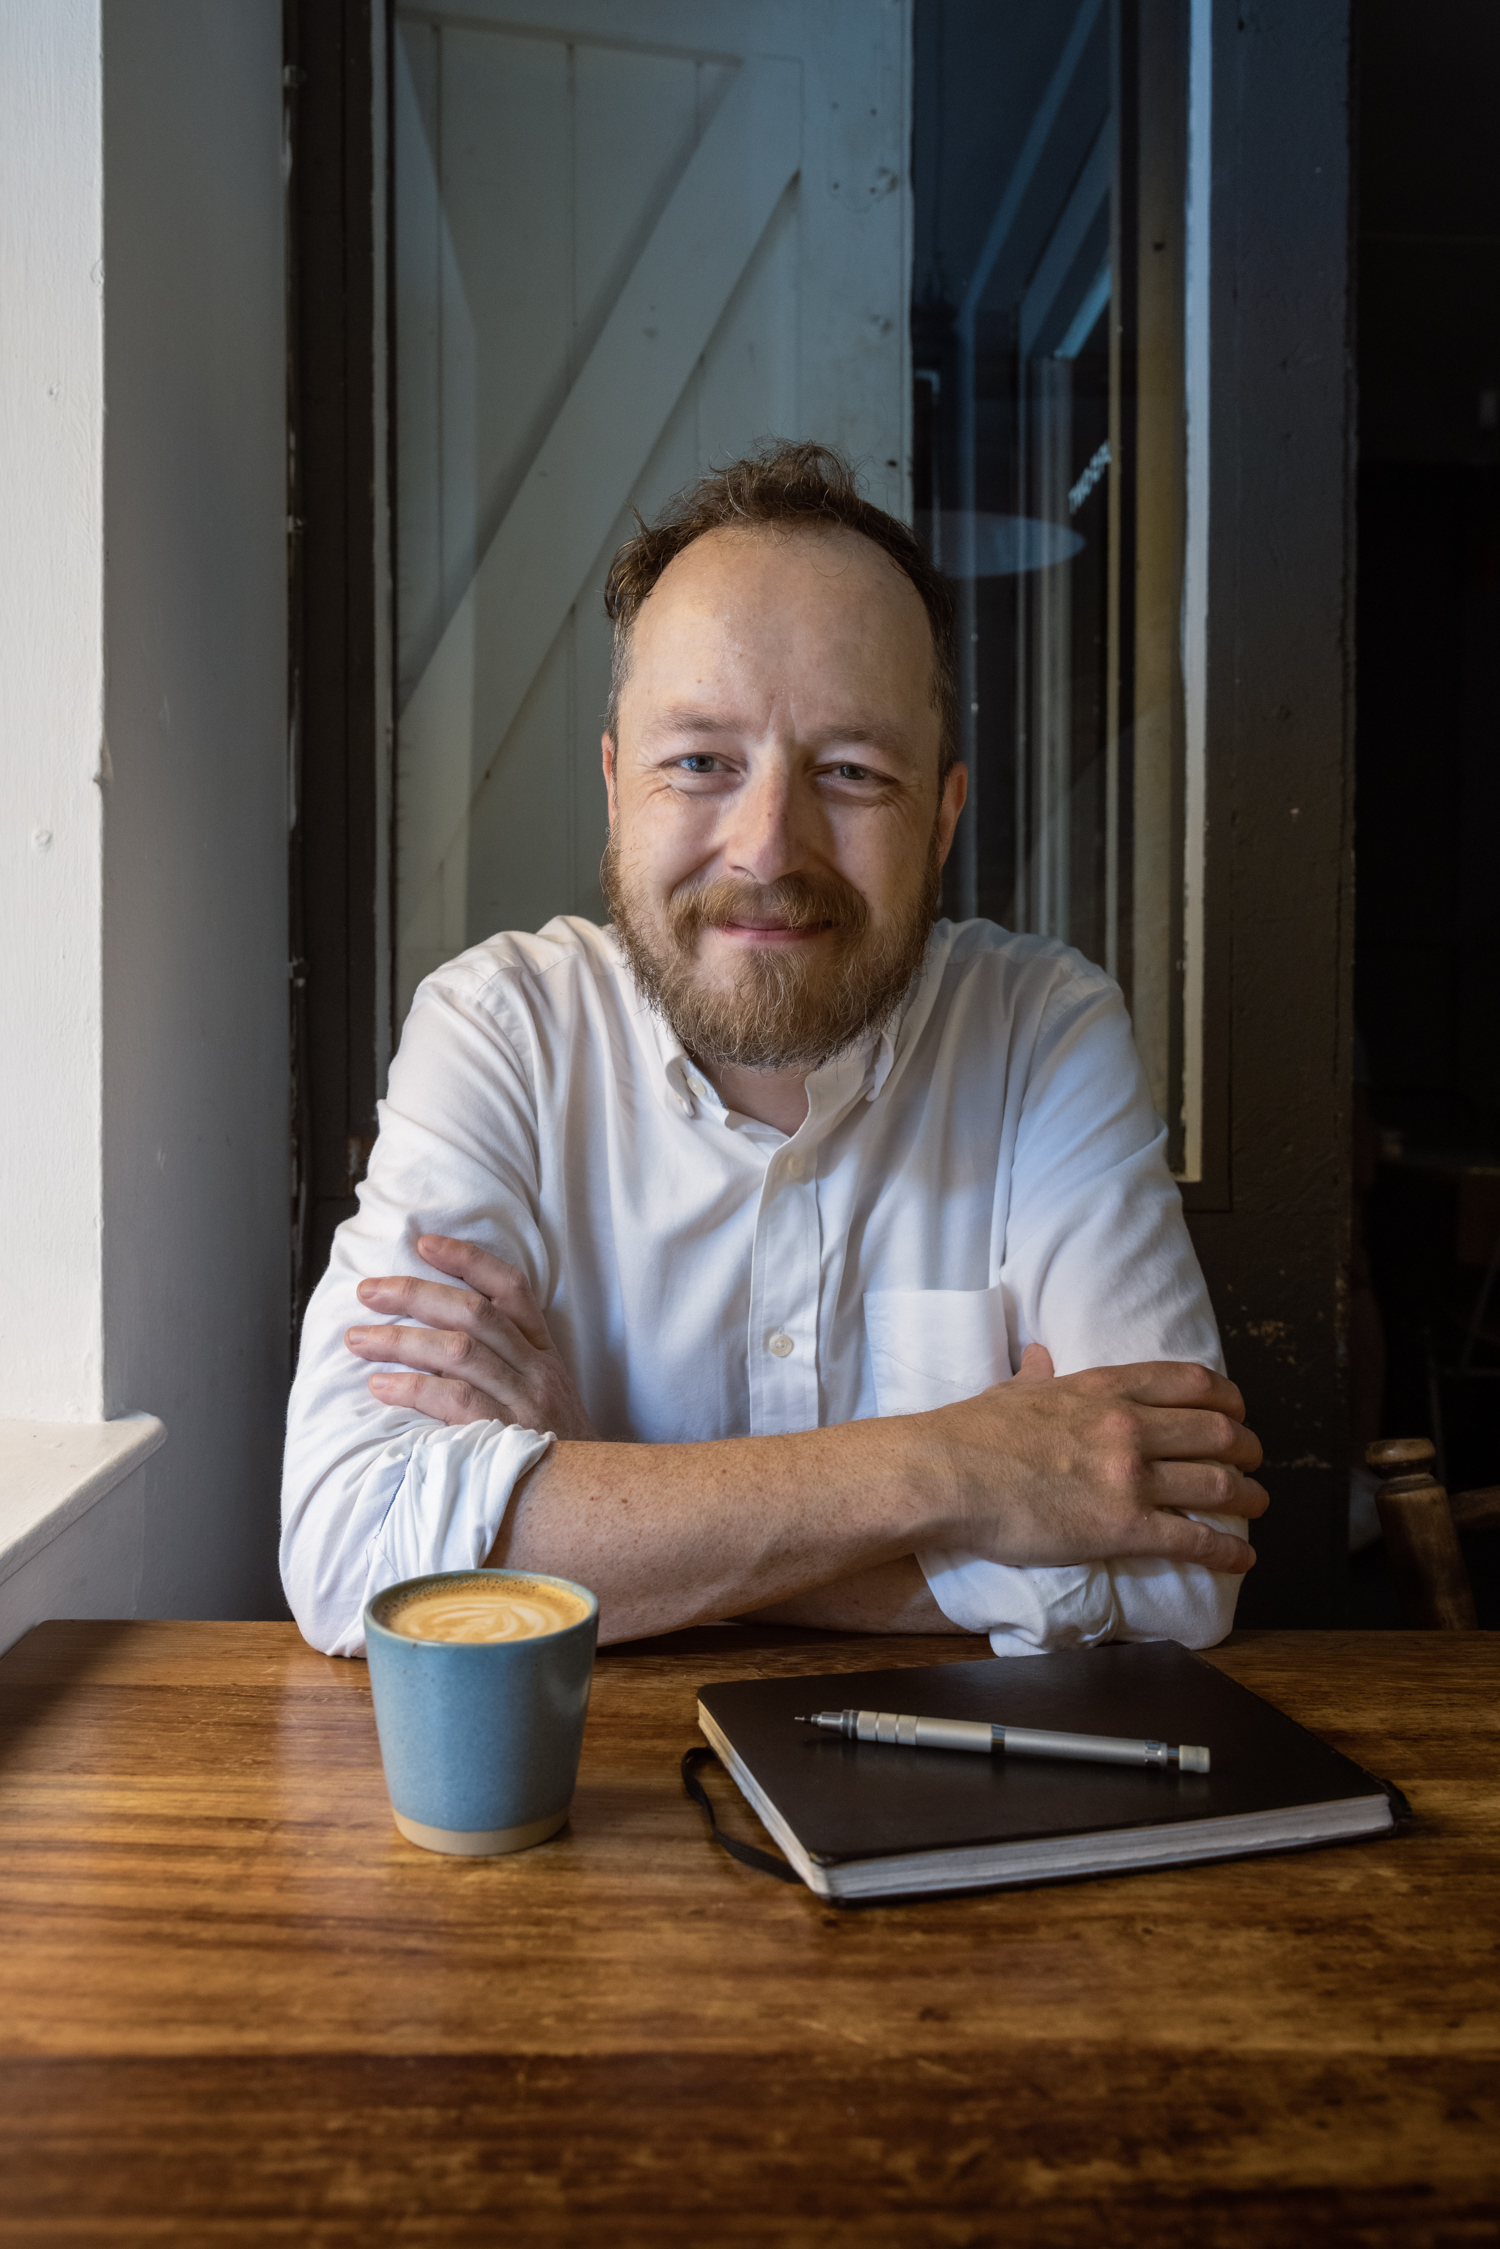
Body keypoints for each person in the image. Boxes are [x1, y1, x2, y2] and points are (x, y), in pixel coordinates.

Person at [281, 441, 1266, 1659]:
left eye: (850, 772)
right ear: (613, 785)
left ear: (944, 813)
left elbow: (1178, 1575)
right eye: (700, 761)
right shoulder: (499, 1033)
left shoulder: (1044, 1037)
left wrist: (607, 1502)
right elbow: (351, 1546)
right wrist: (954, 1464)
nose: (767, 848)